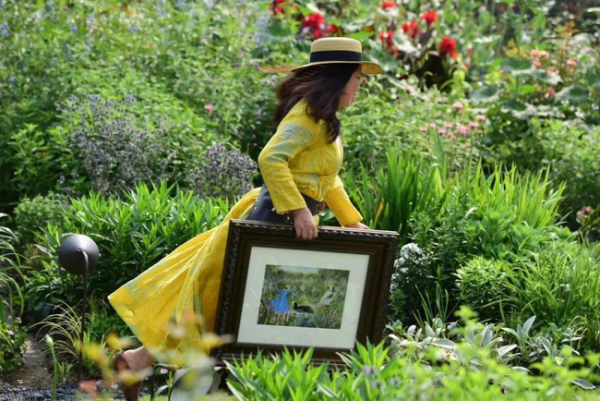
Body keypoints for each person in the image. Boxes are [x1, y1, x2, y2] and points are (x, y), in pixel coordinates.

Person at [108, 37, 381, 400]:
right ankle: (178, 376)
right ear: (339, 77)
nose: (361, 84)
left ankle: (136, 362)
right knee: (227, 304)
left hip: (291, 224)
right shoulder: (306, 116)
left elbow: (325, 178)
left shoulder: (326, 120)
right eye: (358, 77)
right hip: (270, 221)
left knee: (258, 307)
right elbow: (271, 158)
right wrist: (299, 209)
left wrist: (350, 220)